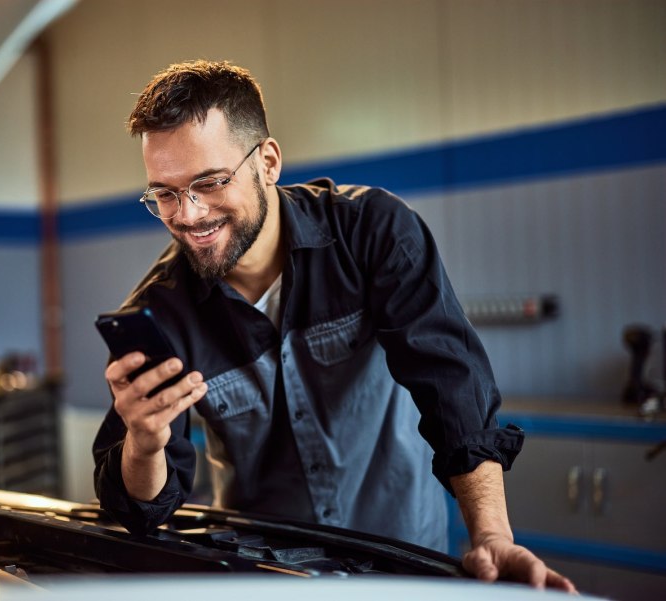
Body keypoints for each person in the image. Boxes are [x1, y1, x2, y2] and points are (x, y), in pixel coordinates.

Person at [92, 60, 575, 592]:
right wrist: (143, 443)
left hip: (402, 556)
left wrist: (491, 537)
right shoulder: (162, 311)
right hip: (266, 571)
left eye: (209, 182)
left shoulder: (373, 234)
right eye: (164, 193)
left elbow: (454, 390)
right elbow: (143, 510)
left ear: (268, 161)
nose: (187, 214)